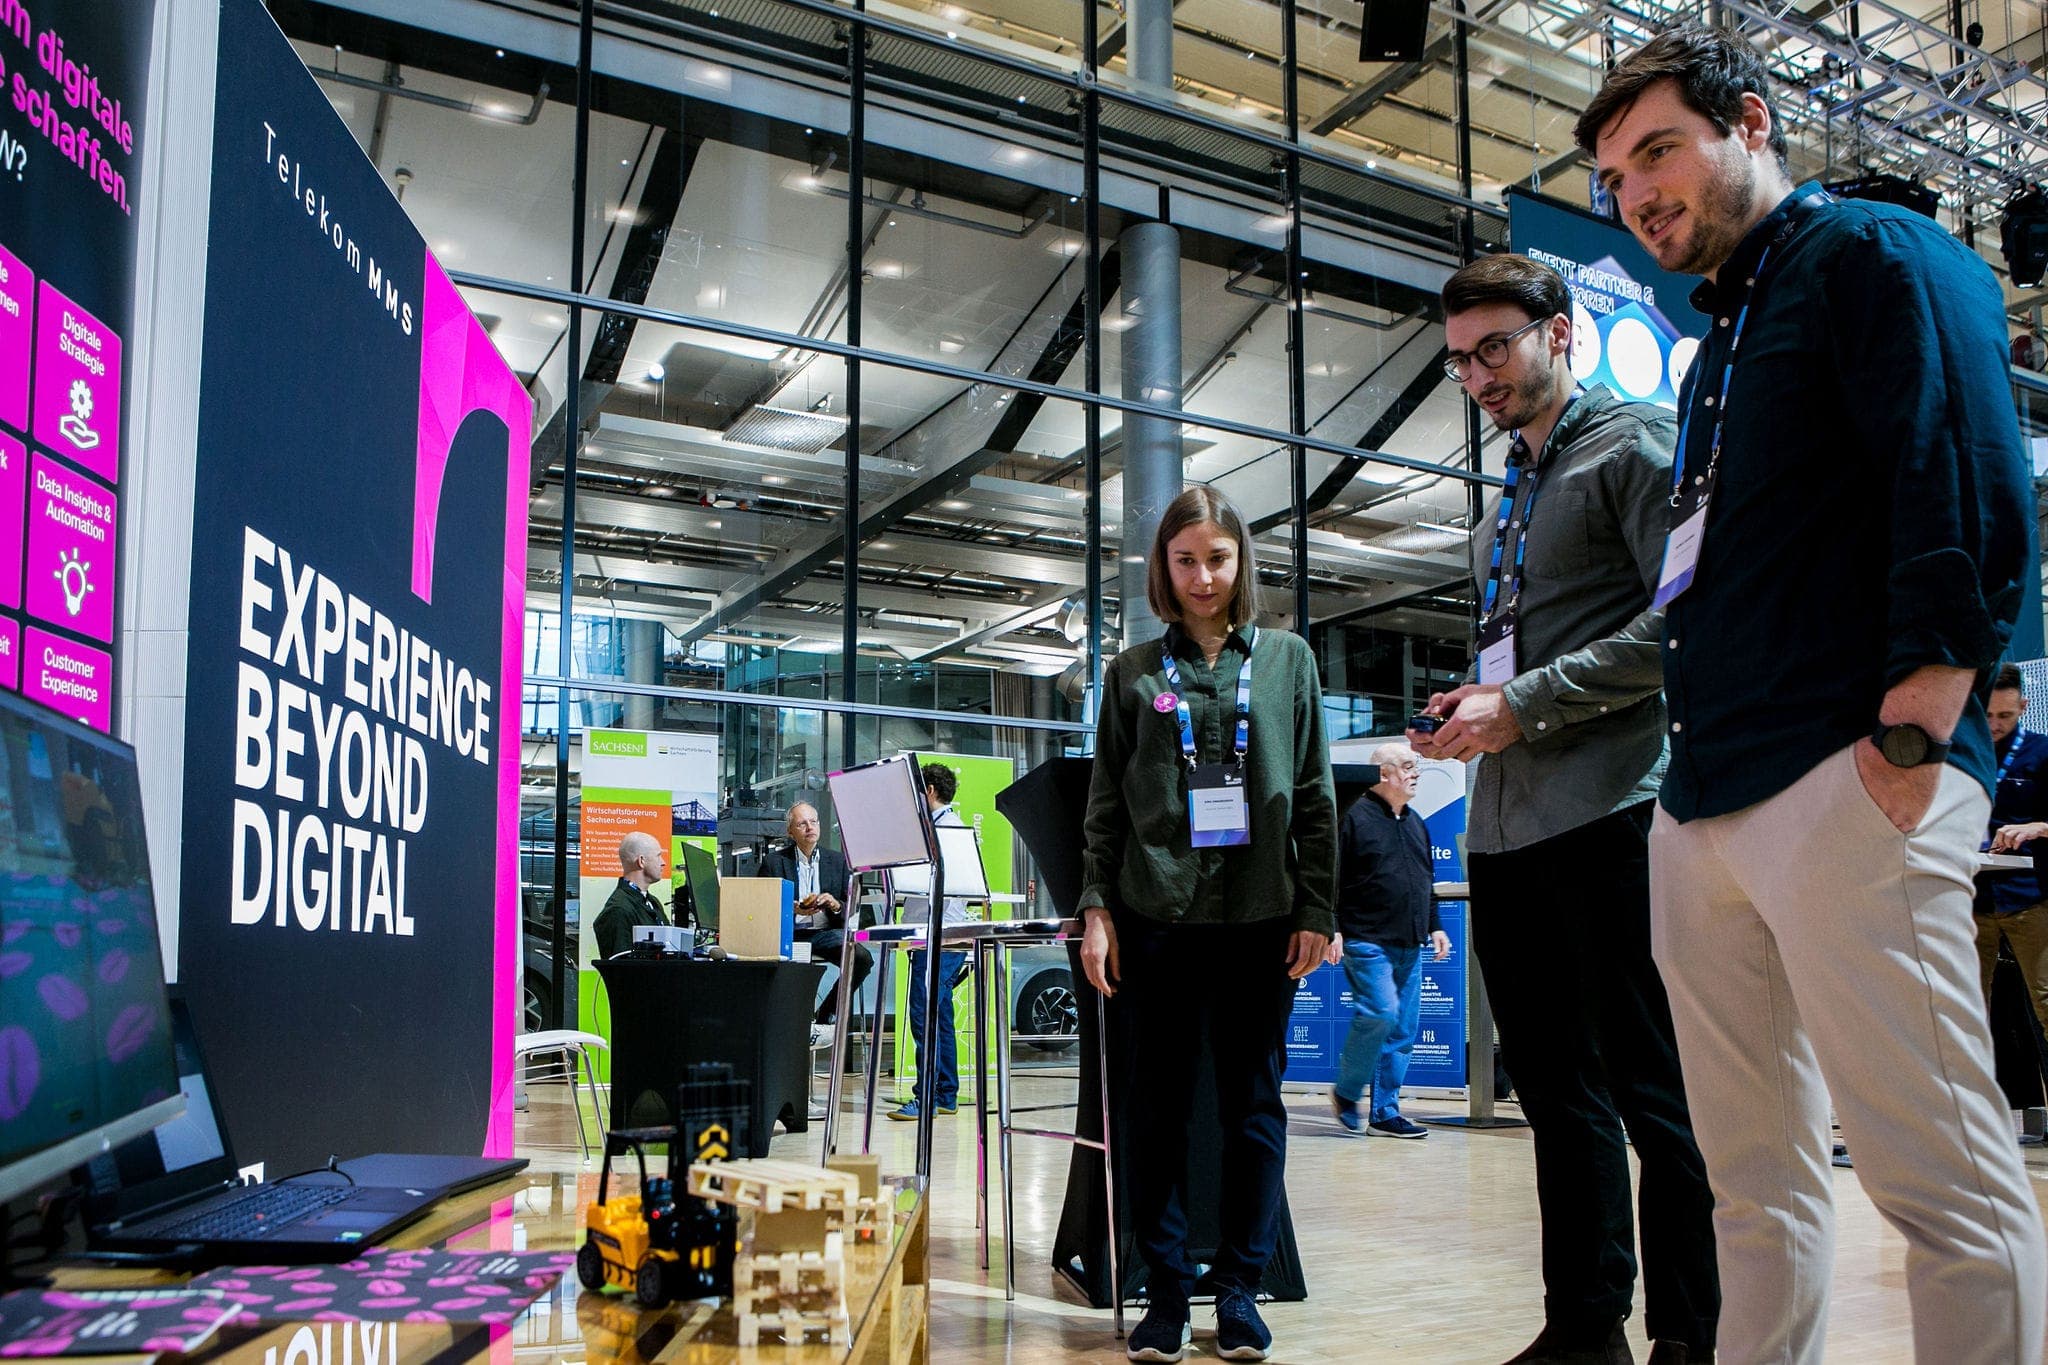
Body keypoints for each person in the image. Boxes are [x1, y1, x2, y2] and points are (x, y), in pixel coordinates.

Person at [1579, 26, 2046, 1363]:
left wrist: (1915, 731)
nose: (1640, 193)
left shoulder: (1873, 257)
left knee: (1942, 1179)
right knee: (1754, 1186)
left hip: (1850, 774)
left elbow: (1965, 473)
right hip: (1709, 794)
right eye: (1615, 177)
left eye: (1660, 150)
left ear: (1754, 123)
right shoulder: (1721, 333)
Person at [1409, 253, 1718, 1365]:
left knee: (1651, 1091)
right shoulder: (1514, 481)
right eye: (1457, 359)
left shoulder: (1631, 442)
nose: (1477, 375)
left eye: (1494, 345)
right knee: (1553, 1090)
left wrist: (1523, 702)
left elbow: (1679, 628)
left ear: (1559, 332)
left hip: (1610, 813)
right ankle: (1584, 1327)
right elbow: (1534, 642)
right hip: (1507, 823)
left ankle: (1690, 1337)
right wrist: (1472, 706)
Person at [1077, 483, 1336, 1365]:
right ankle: (1162, 1292)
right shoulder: (1132, 673)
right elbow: (1105, 804)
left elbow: (1313, 793)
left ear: (1241, 563)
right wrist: (1097, 910)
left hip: (1261, 914)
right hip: (1157, 913)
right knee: (1156, 1110)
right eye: (1184, 559)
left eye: (1216, 558)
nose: (1202, 575)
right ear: (1163, 566)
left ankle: (1238, 1292)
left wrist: (1319, 905)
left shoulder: (1290, 660)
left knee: (1254, 1109)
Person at [1327, 742, 1448, 1140]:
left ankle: (1384, 1112)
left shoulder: (1416, 821)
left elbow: (1425, 882)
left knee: (1402, 1029)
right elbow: (1331, 877)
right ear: (1383, 773)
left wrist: (1436, 926)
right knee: (1380, 1012)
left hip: (1409, 943)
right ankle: (1347, 1092)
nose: (1415, 774)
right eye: (1409, 766)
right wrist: (1333, 928)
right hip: (1366, 940)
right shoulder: (1351, 817)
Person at [890, 762, 972, 1123]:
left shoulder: (945, 832)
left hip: (938, 937)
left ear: (930, 792)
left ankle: (926, 1098)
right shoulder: (942, 829)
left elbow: (934, 883)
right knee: (939, 1020)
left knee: (924, 1018)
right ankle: (945, 1094)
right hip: (938, 935)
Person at [1977, 666, 2048, 1042]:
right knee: (1967, 1010)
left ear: (2023, 706)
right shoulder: (1959, 757)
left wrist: (2038, 827)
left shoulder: (2042, 751)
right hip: (1969, 900)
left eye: (2005, 715)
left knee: (2047, 1001)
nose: (1994, 724)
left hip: (2029, 897)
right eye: (1986, 714)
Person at [760, 801, 874, 1027]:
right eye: (802, 824)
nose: (810, 827)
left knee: (861, 958)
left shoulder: (838, 861)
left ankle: (827, 1012)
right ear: (790, 831)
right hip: (789, 934)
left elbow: (853, 906)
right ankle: (785, 1025)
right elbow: (762, 903)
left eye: (813, 821)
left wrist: (835, 905)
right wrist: (790, 907)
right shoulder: (774, 862)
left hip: (825, 933)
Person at [591, 831, 670, 959]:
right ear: (641, 861)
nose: (663, 862)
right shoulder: (618, 910)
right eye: (658, 856)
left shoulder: (652, 902)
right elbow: (623, 971)